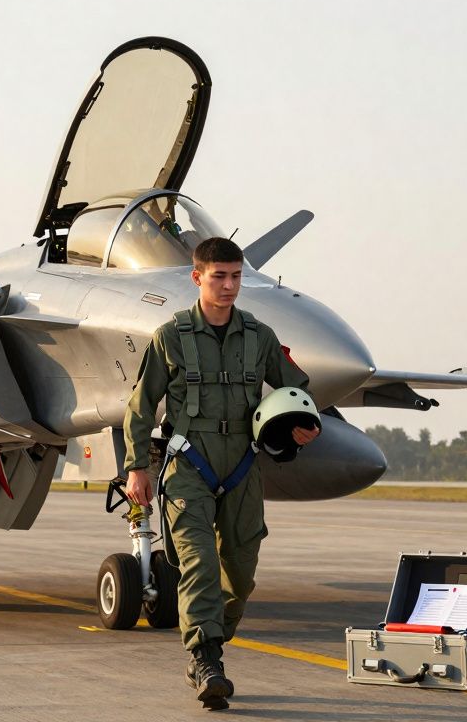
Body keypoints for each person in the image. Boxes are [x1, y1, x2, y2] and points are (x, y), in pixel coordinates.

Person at [122, 237, 319, 710]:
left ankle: (212, 640)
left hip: (244, 465)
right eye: (219, 277)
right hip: (189, 463)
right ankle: (206, 658)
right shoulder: (169, 336)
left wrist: (300, 427)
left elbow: (297, 388)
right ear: (198, 278)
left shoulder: (260, 336)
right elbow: (140, 407)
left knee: (241, 572)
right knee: (198, 565)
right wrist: (136, 468)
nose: (229, 286)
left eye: (235, 277)